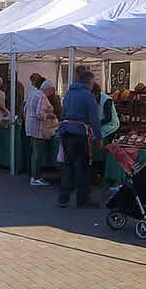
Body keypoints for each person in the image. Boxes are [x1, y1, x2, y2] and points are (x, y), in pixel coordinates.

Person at [57, 71, 103, 208]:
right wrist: (99, 137)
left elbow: (63, 113)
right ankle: (83, 200)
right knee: (82, 167)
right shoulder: (88, 96)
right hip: (79, 133)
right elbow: (94, 119)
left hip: (66, 131)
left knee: (67, 165)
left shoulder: (69, 94)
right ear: (89, 82)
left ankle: (63, 198)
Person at [24, 80, 58, 186]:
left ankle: (33, 174)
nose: (52, 94)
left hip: (30, 126)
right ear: (48, 89)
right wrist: (51, 115)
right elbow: (40, 113)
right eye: (52, 91)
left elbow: (24, 109)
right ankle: (35, 177)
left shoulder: (33, 94)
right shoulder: (42, 97)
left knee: (34, 152)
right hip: (38, 128)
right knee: (38, 153)